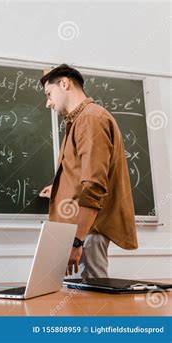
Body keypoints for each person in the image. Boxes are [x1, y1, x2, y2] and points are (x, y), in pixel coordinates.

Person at [39, 64, 137, 278]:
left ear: (64, 83)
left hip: (87, 231)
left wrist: (77, 241)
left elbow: (93, 185)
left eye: (49, 94)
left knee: (92, 303)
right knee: (79, 302)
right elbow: (83, 172)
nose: (48, 103)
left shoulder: (91, 119)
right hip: (82, 231)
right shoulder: (80, 120)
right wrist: (59, 187)